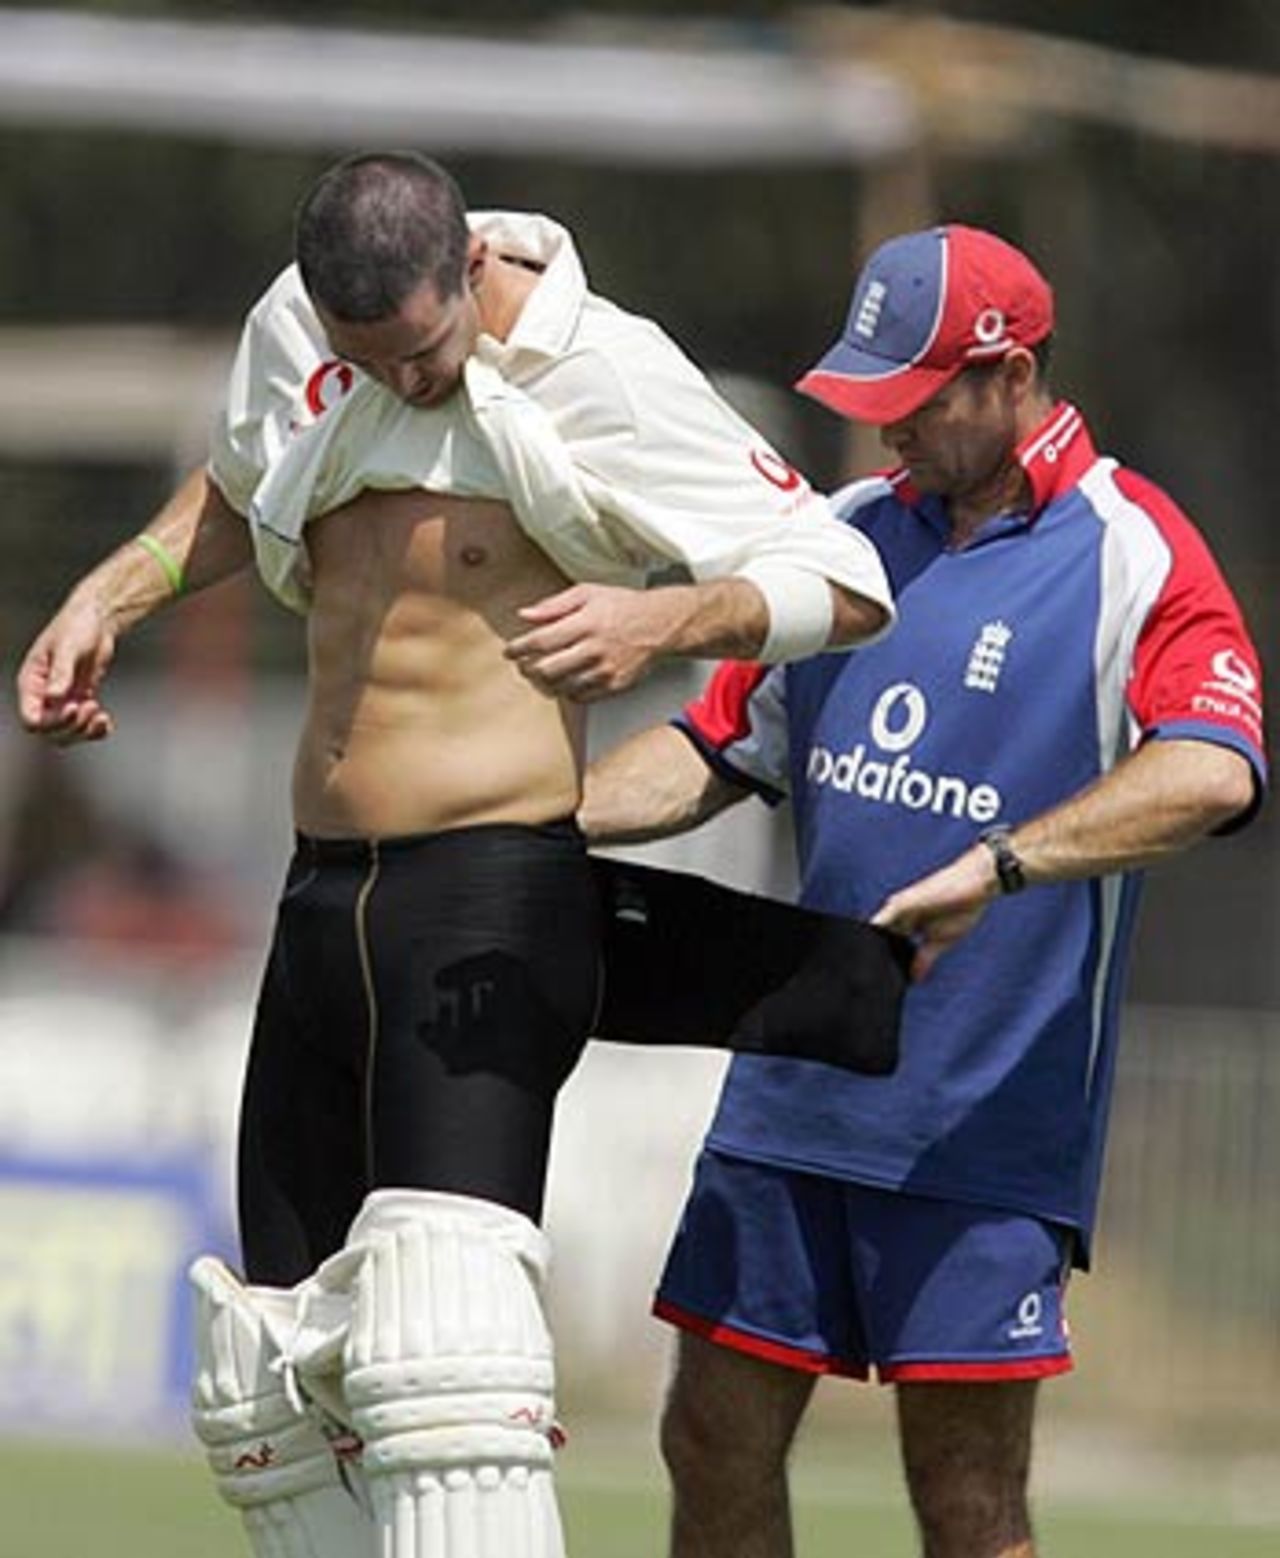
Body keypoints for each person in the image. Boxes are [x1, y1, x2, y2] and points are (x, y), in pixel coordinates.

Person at [14, 152, 893, 1558]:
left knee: (447, 1373)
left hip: (488, 897)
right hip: (318, 899)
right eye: (368, 360)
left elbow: (845, 580)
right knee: (277, 1385)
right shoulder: (304, 333)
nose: (402, 383)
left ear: (472, 266)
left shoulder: (604, 371)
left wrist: (658, 626)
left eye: (424, 352)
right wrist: (107, 595)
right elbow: (244, 486)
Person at [581, 222, 1267, 1558]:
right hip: (788, 1084)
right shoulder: (836, 538)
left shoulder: (1134, 549)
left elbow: (1217, 769)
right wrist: (538, 820)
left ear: (1012, 378)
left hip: (984, 1125)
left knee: (966, 1506)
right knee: (707, 1439)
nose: (882, 429)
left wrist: (1001, 862)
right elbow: (716, 745)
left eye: (914, 399)